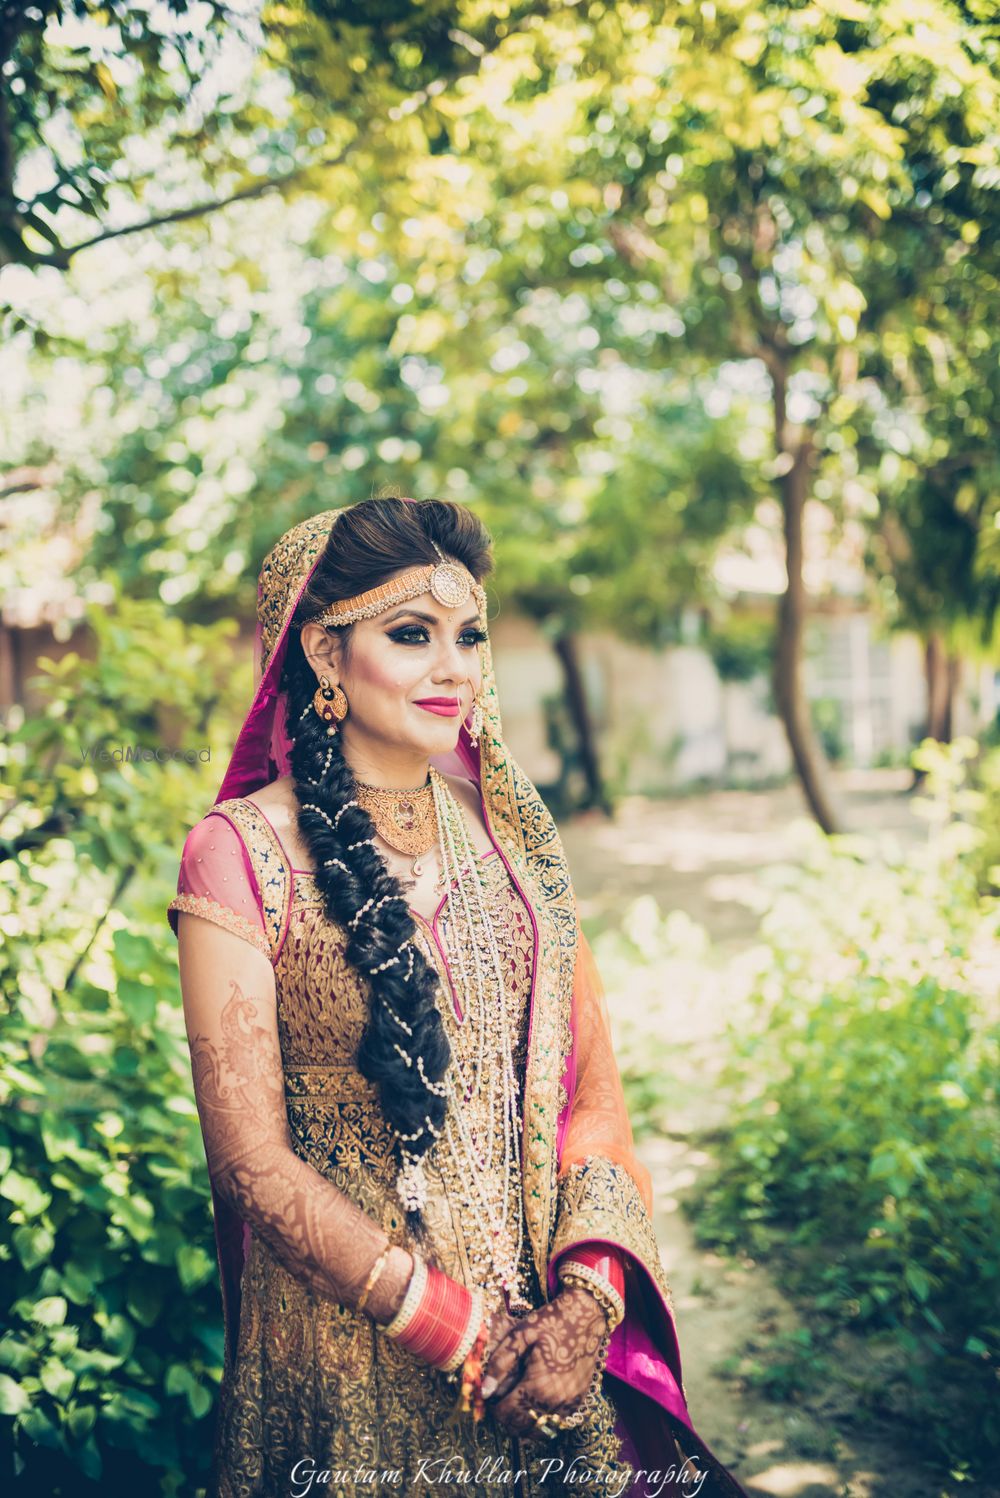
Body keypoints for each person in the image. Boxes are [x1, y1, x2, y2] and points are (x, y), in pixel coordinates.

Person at [168, 497, 747, 1497]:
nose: (455, 667)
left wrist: (579, 1312)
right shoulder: (240, 855)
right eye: (411, 633)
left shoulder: (514, 846)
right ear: (322, 651)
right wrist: (459, 1328)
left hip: (542, 1366)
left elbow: (594, 1105)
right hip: (342, 1368)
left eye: (468, 636)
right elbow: (251, 1164)